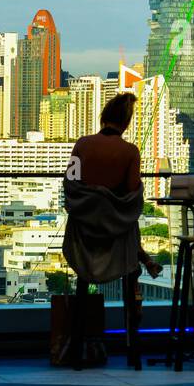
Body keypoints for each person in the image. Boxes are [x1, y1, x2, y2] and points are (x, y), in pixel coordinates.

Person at [63, 92, 161, 282]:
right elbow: (133, 194)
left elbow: (70, 181)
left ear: (104, 117)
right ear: (126, 122)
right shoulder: (130, 152)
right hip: (117, 230)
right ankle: (144, 261)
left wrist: (92, 197)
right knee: (130, 225)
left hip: (84, 227)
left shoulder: (82, 144)